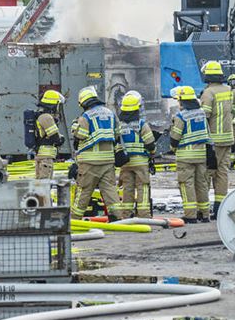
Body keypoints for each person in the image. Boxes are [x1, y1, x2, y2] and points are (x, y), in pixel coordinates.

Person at [199, 61, 235, 219]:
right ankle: (220, 208)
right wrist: (233, 113)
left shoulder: (208, 93)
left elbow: (204, 117)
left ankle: (203, 210)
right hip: (228, 139)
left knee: (207, 174)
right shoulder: (229, 91)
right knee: (222, 174)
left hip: (212, 142)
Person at [70, 86, 122, 221]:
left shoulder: (86, 116)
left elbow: (81, 135)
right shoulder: (110, 113)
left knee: (83, 191)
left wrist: (75, 126)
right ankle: (117, 218)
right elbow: (117, 134)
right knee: (110, 190)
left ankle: (75, 220)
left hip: (89, 162)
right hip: (108, 161)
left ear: (83, 102)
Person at [170, 85, 211, 223]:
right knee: (202, 184)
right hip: (201, 155)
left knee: (187, 185)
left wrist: (172, 147)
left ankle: (190, 215)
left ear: (182, 101)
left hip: (185, 157)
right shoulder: (202, 113)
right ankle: (204, 214)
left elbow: (175, 137)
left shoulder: (181, 116)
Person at [115, 92, 156, 218]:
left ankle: (126, 215)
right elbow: (150, 143)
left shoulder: (119, 125)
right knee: (142, 187)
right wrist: (152, 154)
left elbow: (115, 142)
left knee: (127, 189)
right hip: (141, 162)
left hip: (125, 163)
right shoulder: (141, 124)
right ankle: (144, 214)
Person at [33, 90, 65, 180]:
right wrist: (61, 139)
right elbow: (56, 138)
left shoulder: (42, 116)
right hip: (45, 158)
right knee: (44, 185)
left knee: (41, 184)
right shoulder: (46, 117)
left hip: (43, 156)